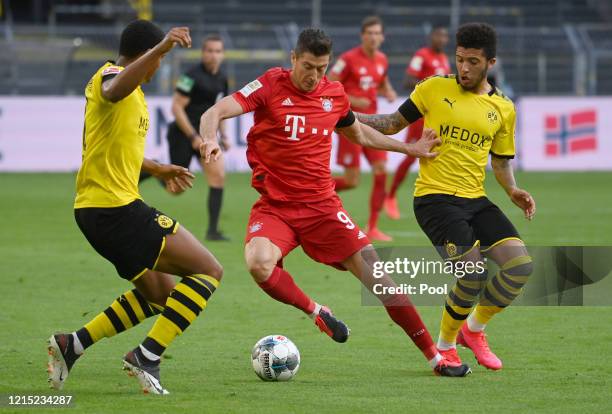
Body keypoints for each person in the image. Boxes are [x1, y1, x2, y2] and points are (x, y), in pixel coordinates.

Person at [199, 28, 470, 377]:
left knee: (381, 280)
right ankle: (317, 312)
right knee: (258, 263)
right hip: (276, 206)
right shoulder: (270, 84)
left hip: (323, 208)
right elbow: (215, 111)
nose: (314, 76)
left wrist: (409, 148)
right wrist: (208, 140)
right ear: (294, 59)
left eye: (322, 68)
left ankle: (436, 357)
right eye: (308, 66)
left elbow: (358, 132)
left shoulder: (334, 94)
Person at [47, 20, 224, 395]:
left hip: (101, 211)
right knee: (208, 269)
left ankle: (72, 345)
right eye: (156, 58)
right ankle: (147, 356)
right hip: (114, 209)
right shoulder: (110, 75)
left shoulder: (135, 93)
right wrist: (160, 48)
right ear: (146, 55)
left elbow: (113, 147)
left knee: (159, 294)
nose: (159, 67)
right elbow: (113, 90)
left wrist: (157, 168)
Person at [357, 23, 536, 371]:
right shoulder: (434, 88)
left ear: (491, 63)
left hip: (475, 198)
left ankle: (474, 330)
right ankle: (446, 346)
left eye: (472, 61)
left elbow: (499, 161)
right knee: (472, 274)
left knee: (520, 267)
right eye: (459, 60)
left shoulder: (503, 108)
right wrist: (347, 117)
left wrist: (512, 189)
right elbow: (392, 123)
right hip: (435, 199)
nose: (464, 68)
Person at [328, 16, 397, 241]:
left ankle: (373, 226)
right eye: (370, 33)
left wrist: (388, 91)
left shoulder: (382, 60)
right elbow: (327, 86)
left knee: (381, 171)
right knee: (351, 181)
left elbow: (382, 80)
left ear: (383, 37)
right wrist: (353, 100)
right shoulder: (348, 59)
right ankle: (310, 188)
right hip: (350, 123)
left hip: (373, 123)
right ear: (362, 36)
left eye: (378, 33)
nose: (374, 37)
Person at [167, 34, 230, 241]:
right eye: (210, 51)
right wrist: (193, 136)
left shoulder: (222, 79)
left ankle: (213, 231)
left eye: (218, 51)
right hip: (182, 135)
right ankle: (154, 169)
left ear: (223, 54)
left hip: (205, 137)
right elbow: (176, 107)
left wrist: (225, 135)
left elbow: (220, 110)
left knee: (218, 176)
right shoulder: (190, 76)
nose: (214, 55)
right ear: (203, 53)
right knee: (176, 189)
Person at [385, 26, 451, 219]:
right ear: (432, 37)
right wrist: (430, 87)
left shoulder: (445, 60)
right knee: (411, 154)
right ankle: (390, 196)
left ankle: (442, 199)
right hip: (420, 115)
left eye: (445, 36)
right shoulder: (422, 55)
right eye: (439, 34)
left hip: (438, 115)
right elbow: (407, 80)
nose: (442, 39)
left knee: (439, 154)